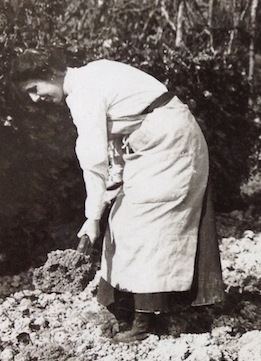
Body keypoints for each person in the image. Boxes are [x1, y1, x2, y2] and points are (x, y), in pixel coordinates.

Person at [11, 49, 224, 342]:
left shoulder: (83, 91)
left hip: (172, 143)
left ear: (50, 74)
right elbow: (115, 146)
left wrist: (92, 217)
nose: (35, 99)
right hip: (154, 141)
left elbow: (93, 160)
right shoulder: (88, 78)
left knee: (146, 223)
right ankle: (124, 309)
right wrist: (111, 193)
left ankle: (144, 321)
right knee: (123, 218)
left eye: (34, 89)